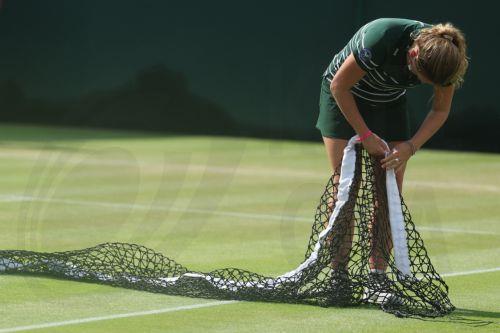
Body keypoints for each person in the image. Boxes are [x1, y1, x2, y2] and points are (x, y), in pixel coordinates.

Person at [316, 18, 468, 299]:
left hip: (388, 103)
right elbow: (340, 86)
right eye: (423, 78)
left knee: (389, 192)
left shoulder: (446, 61)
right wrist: (364, 135)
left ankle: (377, 279)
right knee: (344, 190)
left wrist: (410, 147)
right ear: (413, 54)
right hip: (343, 97)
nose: (425, 84)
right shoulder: (381, 37)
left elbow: (439, 111)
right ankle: (339, 276)